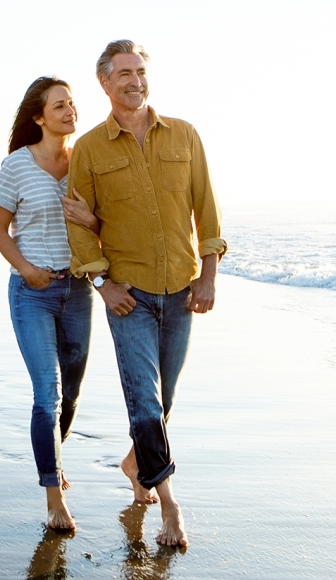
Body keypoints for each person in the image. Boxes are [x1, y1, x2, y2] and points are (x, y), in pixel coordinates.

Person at [67, 40, 227, 547]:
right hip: (128, 295)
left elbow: (207, 207)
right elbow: (78, 225)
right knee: (144, 400)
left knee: (166, 399)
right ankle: (172, 508)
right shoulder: (89, 149)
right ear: (105, 83)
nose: (135, 81)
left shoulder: (184, 135)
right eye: (124, 73)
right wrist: (101, 283)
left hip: (181, 289)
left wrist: (209, 275)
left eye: (140, 71)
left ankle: (137, 464)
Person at [0, 76, 97, 531]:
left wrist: (92, 219)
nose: (70, 111)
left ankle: (55, 459)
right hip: (32, 291)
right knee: (46, 395)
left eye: (72, 103)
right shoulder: (16, 165)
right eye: (59, 105)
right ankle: (53, 496)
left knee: (70, 394)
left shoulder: (87, 163)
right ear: (39, 116)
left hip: (78, 291)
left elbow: (104, 225)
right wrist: (27, 269)